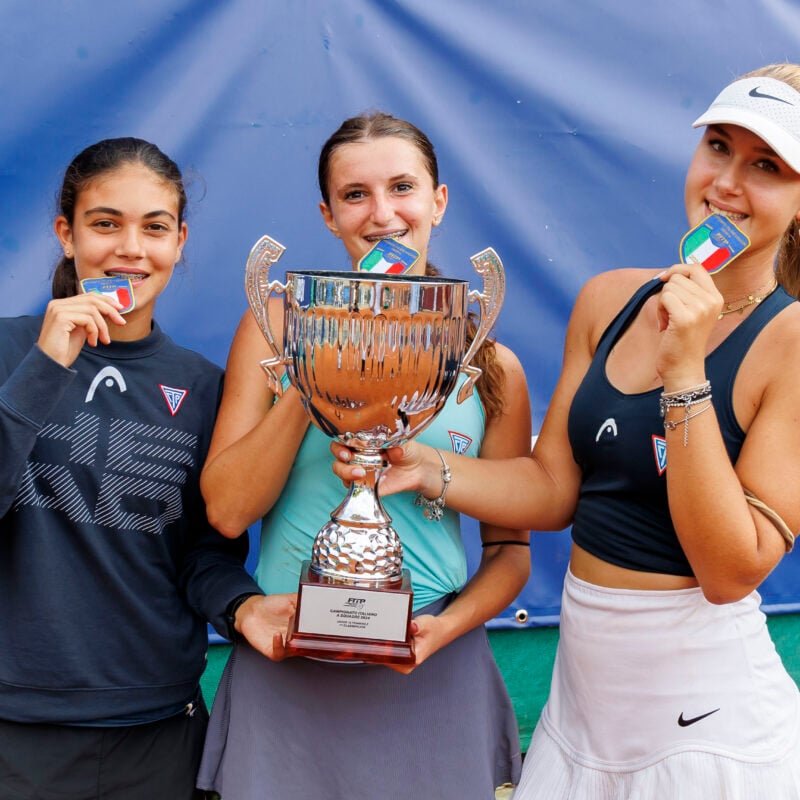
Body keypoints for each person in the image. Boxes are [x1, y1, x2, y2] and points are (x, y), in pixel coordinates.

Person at [333, 64, 800, 798]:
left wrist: (685, 373)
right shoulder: (609, 298)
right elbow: (554, 490)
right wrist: (426, 466)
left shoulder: (792, 342)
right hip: (581, 711)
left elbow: (730, 571)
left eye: (767, 166)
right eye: (718, 147)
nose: (727, 183)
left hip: (708, 724)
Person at [196, 112, 532, 800]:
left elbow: (511, 552)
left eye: (403, 187)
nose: (382, 215)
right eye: (355, 195)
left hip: (433, 668)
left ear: (438, 200)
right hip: (288, 665)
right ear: (327, 215)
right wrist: (311, 376)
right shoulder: (277, 327)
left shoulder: (491, 364)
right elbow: (227, 512)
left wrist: (443, 631)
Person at [0, 137, 269, 800]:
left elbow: (204, 554)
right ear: (66, 235)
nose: (129, 249)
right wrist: (44, 367)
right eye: (105, 224)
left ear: (179, 242)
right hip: (17, 726)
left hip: (158, 730)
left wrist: (245, 608)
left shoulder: (203, 388)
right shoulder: (7, 351)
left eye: (153, 228)